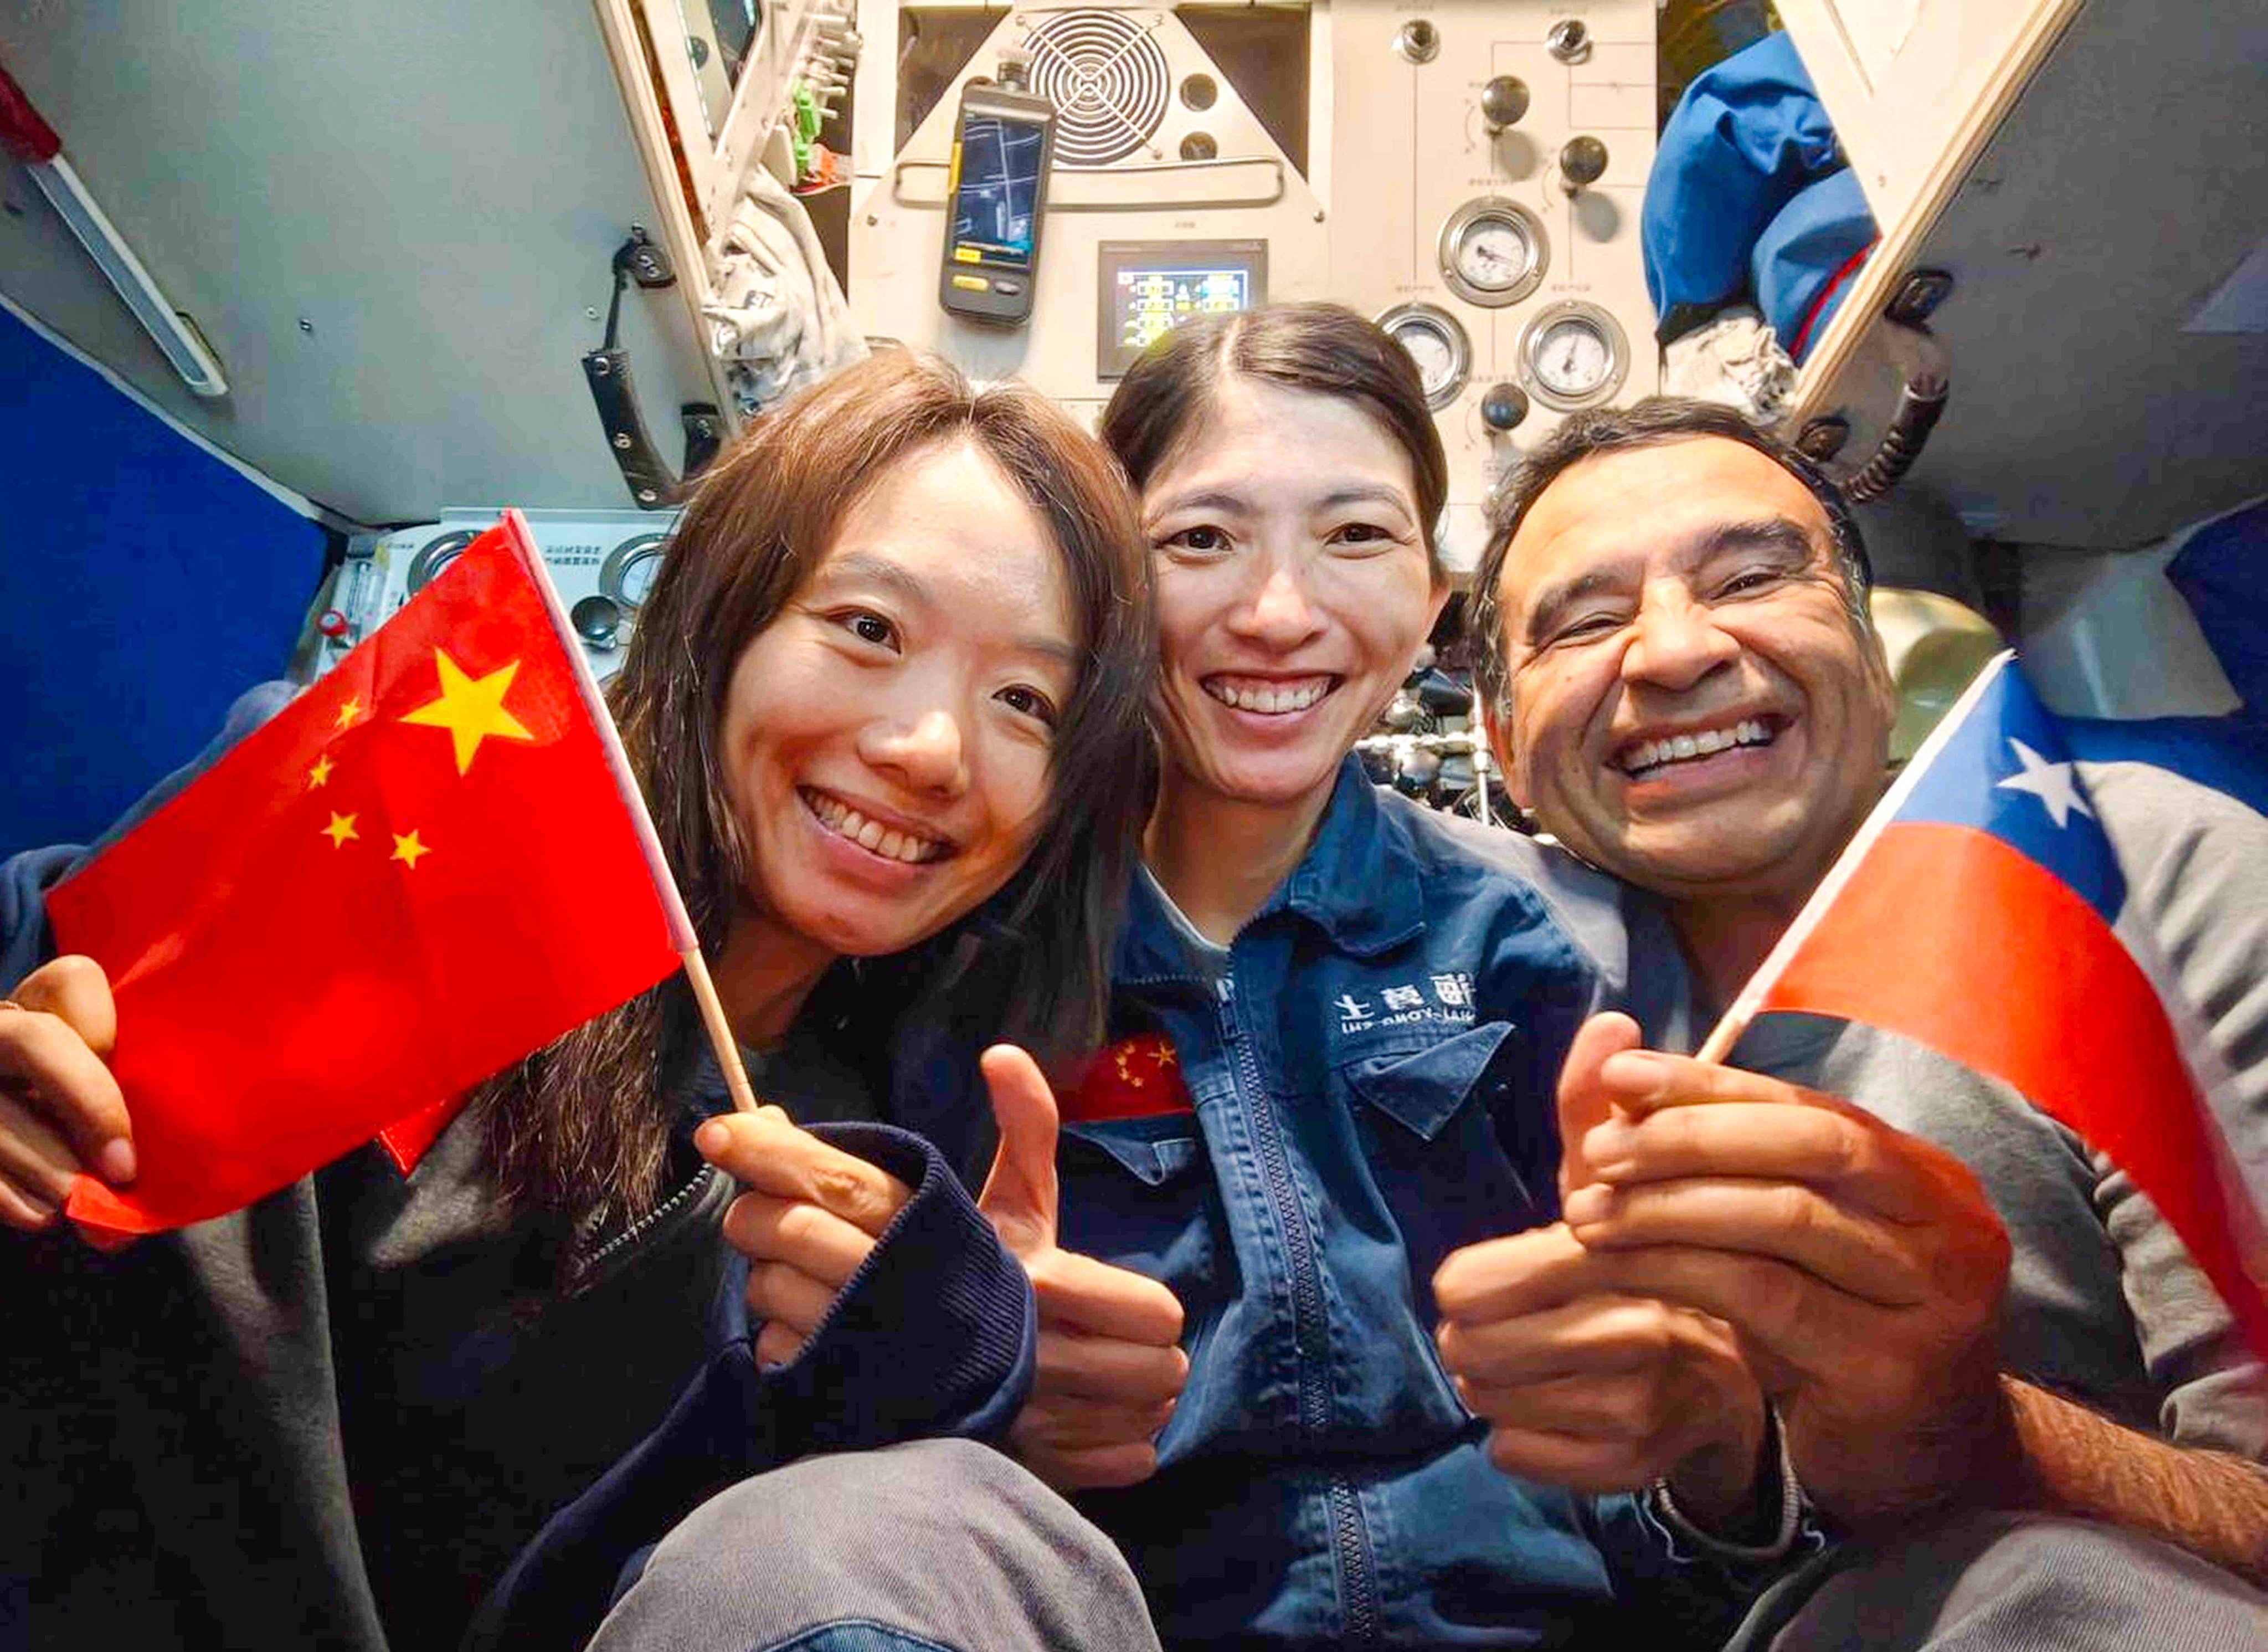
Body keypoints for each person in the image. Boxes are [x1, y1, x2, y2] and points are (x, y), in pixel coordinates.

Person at [0, 348, 1157, 1651]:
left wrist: (944, 1366)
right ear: (720, 621)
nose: (930, 750)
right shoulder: (372, 835)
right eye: (867, 629)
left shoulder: (888, 1159)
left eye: (1023, 702)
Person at [1456, 396, 2268, 1640]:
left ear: (1872, 659)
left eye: (1747, 578)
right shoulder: (1474, 1013)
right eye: (1584, 619)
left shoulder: (2132, 875)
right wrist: (1719, 1474)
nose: (1673, 652)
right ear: (1505, 752)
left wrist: (1970, 1438)